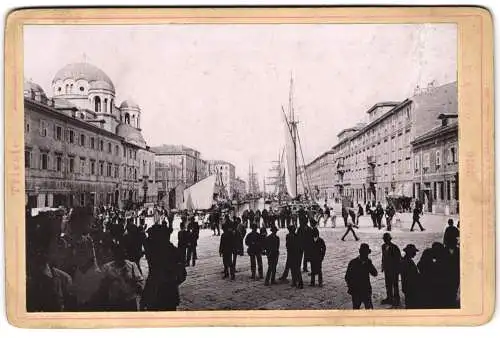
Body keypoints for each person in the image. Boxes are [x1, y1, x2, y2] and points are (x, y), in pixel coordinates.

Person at [142, 225, 187, 311]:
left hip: (154, 290)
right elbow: (182, 275)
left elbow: (146, 241)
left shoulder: (152, 251)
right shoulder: (174, 251)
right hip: (169, 291)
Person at [99, 241, 145, 311]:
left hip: (129, 302)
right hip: (113, 303)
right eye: (117, 253)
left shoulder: (132, 265)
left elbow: (140, 285)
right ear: (113, 254)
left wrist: (131, 284)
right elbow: (101, 286)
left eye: (122, 252)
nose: (120, 255)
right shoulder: (106, 267)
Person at [345, 243, 378, 309]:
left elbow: (375, 273)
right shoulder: (353, 263)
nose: (366, 255)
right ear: (361, 253)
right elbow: (347, 277)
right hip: (356, 291)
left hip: (366, 290)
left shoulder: (368, 262)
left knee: (369, 309)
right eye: (365, 253)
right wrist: (351, 287)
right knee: (356, 308)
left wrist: (370, 265)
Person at [381, 232, 401, 307]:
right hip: (387, 269)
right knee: (388, 284)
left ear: (390, 239)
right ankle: (389, 298)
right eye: (384, 239)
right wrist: (383, 266)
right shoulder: (383, 246)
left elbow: (398, 259)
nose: (385, 240)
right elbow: (383, 257)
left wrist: (397, 270)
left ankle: (396, 299)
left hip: (394, 269)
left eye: (387, 239)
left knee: (395, 285)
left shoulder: (395, 247)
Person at [400, 244, 420, 309]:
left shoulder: (404, 260)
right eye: (414, 252)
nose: (415, 253)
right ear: (410, 252)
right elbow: (412, 276)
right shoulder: (408, 262)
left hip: (407, 287)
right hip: (410, 287)